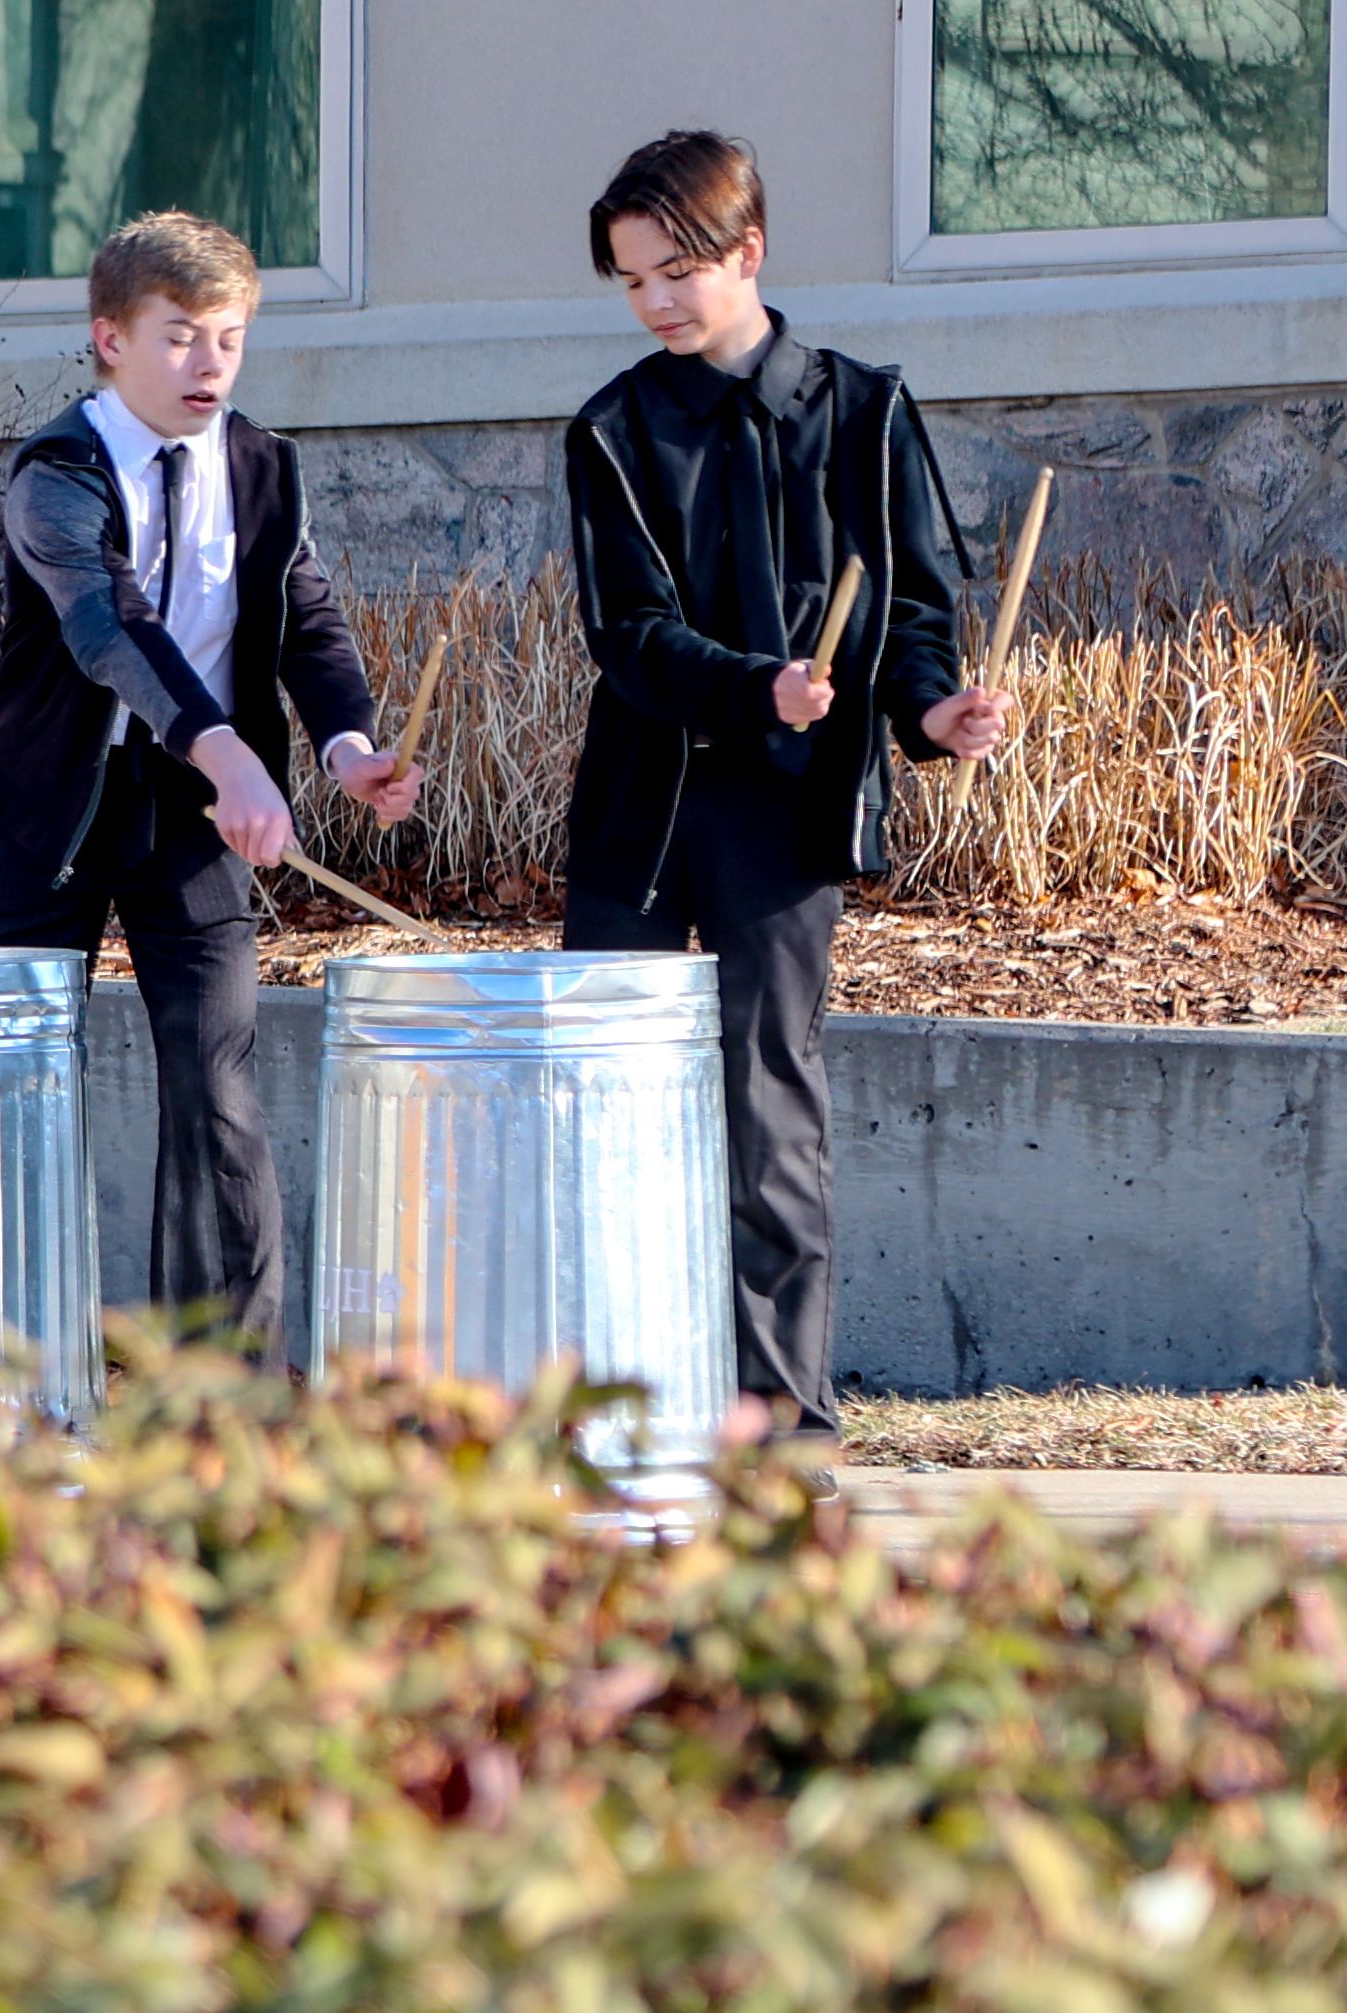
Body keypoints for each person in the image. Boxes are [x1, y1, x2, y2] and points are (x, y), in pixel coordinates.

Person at [562, 131, 1018, 1448]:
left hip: (786, 814)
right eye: (632, 279)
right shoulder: (611, 429)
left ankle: (784, 1426)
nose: (654, 300)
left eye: (675, 271)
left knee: (770, 1108)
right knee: (618, 1109)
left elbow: (919, 606)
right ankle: (622, 1418)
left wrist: (935, 710)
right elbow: (628, 636)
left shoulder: (865, 409)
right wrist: (757, 681)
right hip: (640, 814)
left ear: (747, 253)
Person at [0, 211, 423, 1341]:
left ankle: (217, 1400)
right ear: (109, 338)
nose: (207, 363)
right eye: (178, 336)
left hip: (198, 818)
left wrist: (349, 747)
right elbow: (110, 626)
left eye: (228, 337)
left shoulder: (265, 467)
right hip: (46, 808)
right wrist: (223, 747)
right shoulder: (54, 473)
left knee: (218, 1094)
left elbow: (304, 619)